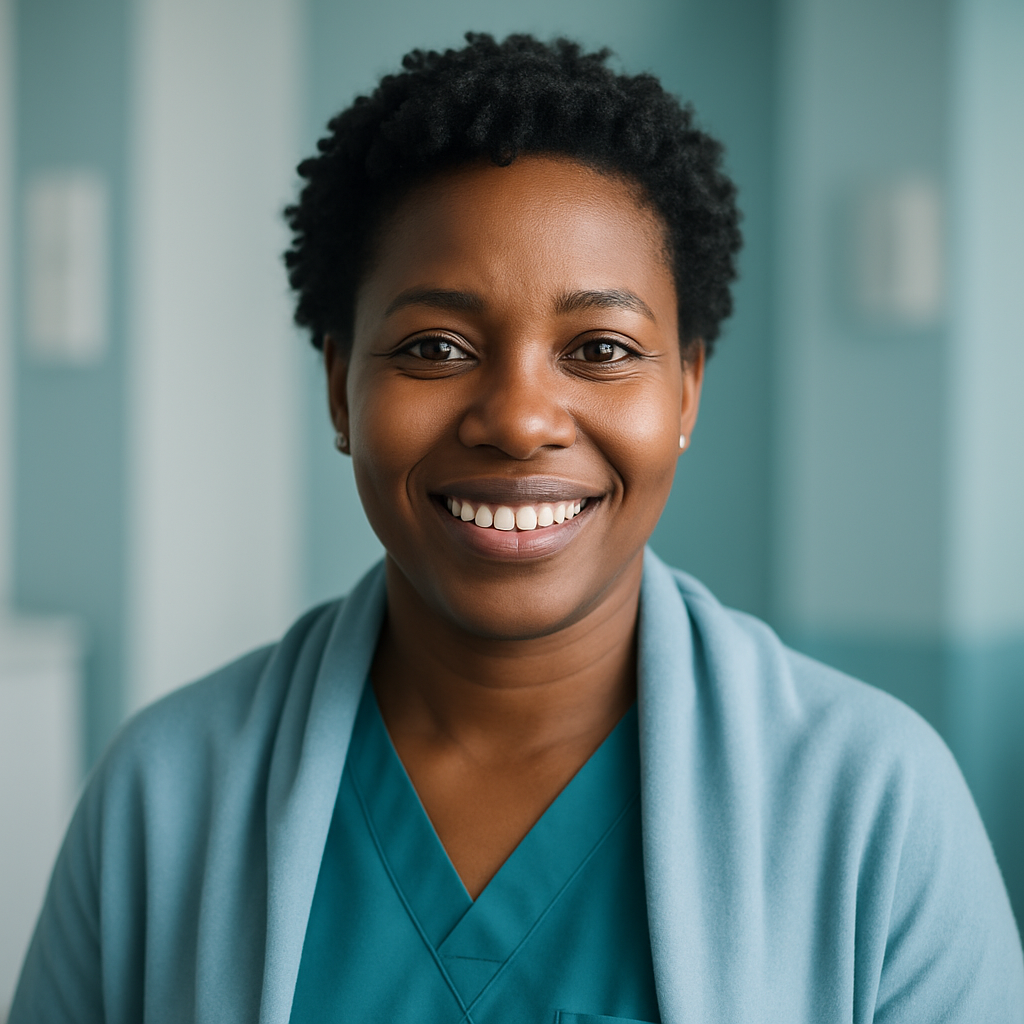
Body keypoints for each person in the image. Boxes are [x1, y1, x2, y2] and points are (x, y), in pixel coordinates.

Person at [11, 33, 1024, 1024]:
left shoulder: (877, 807)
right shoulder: (164, 793)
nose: (520, 418)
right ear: (338, 386)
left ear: (686, 390)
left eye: (598, 347)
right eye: (435, 345)